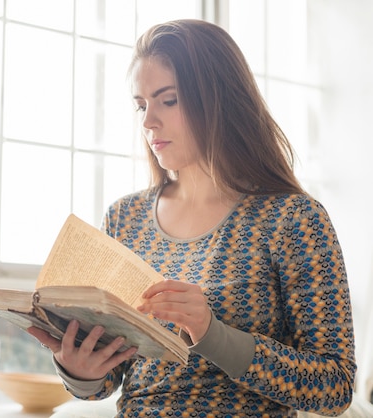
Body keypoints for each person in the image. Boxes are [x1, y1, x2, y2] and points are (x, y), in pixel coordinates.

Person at [27, 19, 356, 417]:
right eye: (141, 105)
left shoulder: (293, 220)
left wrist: (212, 334)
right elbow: (109, 383)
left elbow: (335, 388)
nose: (149, 121)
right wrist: (78, 370)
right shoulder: (123, 218)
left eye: (168, 100)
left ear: (218, 100)